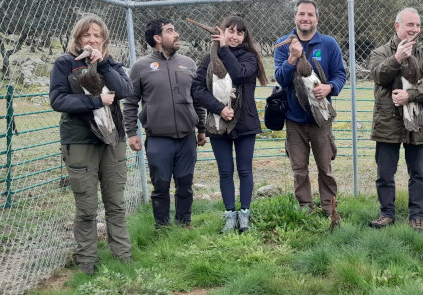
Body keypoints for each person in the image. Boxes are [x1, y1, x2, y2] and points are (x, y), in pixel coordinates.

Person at [49, 14, 133, 275]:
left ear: (104, 39)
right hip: (80, 141)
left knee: (115, 203)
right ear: (78, 38)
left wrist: (104, 65)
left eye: (97, 35)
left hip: (112, 141)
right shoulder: (65, 64)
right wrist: (96, 101)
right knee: (86, 205)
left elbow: (126, 90)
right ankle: (87, 262)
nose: (92, 39)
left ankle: (123, 257)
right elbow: (58, 100)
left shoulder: (112, 65)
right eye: (87, 35)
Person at [123, 19, 206, 229]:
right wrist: (131, 132)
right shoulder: (140, 67)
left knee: (185, 183)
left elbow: (197, 99)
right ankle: (162, 226)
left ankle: (184, 223)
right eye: (170, 31)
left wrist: (202, 128)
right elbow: (131, 102)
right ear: (157, 38)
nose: (176, 34)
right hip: (158, 138)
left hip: (187, 137)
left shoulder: (188, 64)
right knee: (160, 185)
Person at [191, 15, 268, 233]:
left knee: (244, 171)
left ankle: (244, 214)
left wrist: (223, 48)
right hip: (218, 123)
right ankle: (229, 215)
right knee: (225, 171)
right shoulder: (209, 58)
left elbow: (239, 73)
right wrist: (219, 108)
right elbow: (197, 89)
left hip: (245, 124)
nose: (234, 36)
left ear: (245, 36)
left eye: (239, 32)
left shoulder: (249, 57)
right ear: (222, 31)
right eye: (230, 31)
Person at [367, 7, 423, 231]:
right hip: (388, 120)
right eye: (410, 25)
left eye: (417, 25)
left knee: (418, 173)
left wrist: (411, 95)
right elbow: (379, 75)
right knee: (385, 173)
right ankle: (386, 213)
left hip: (418, 121)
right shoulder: (381, 52)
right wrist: (397, 57)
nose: (415, 29)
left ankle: (416, 215)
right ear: (397, 26)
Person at [273, 0, 347, 216]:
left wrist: (329, 88)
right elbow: (280, 79)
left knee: (325, 168)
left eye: (310, 14)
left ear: (317, 18)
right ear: (295, 17)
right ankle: (305, 209)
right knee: (299, 170)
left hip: (321, 119)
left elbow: (340, 75)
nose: (305, 18)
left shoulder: (328, 44)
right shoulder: (283, 43)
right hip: (294, 119)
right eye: (301, 14)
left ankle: (329, 209)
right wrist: (293, 58)